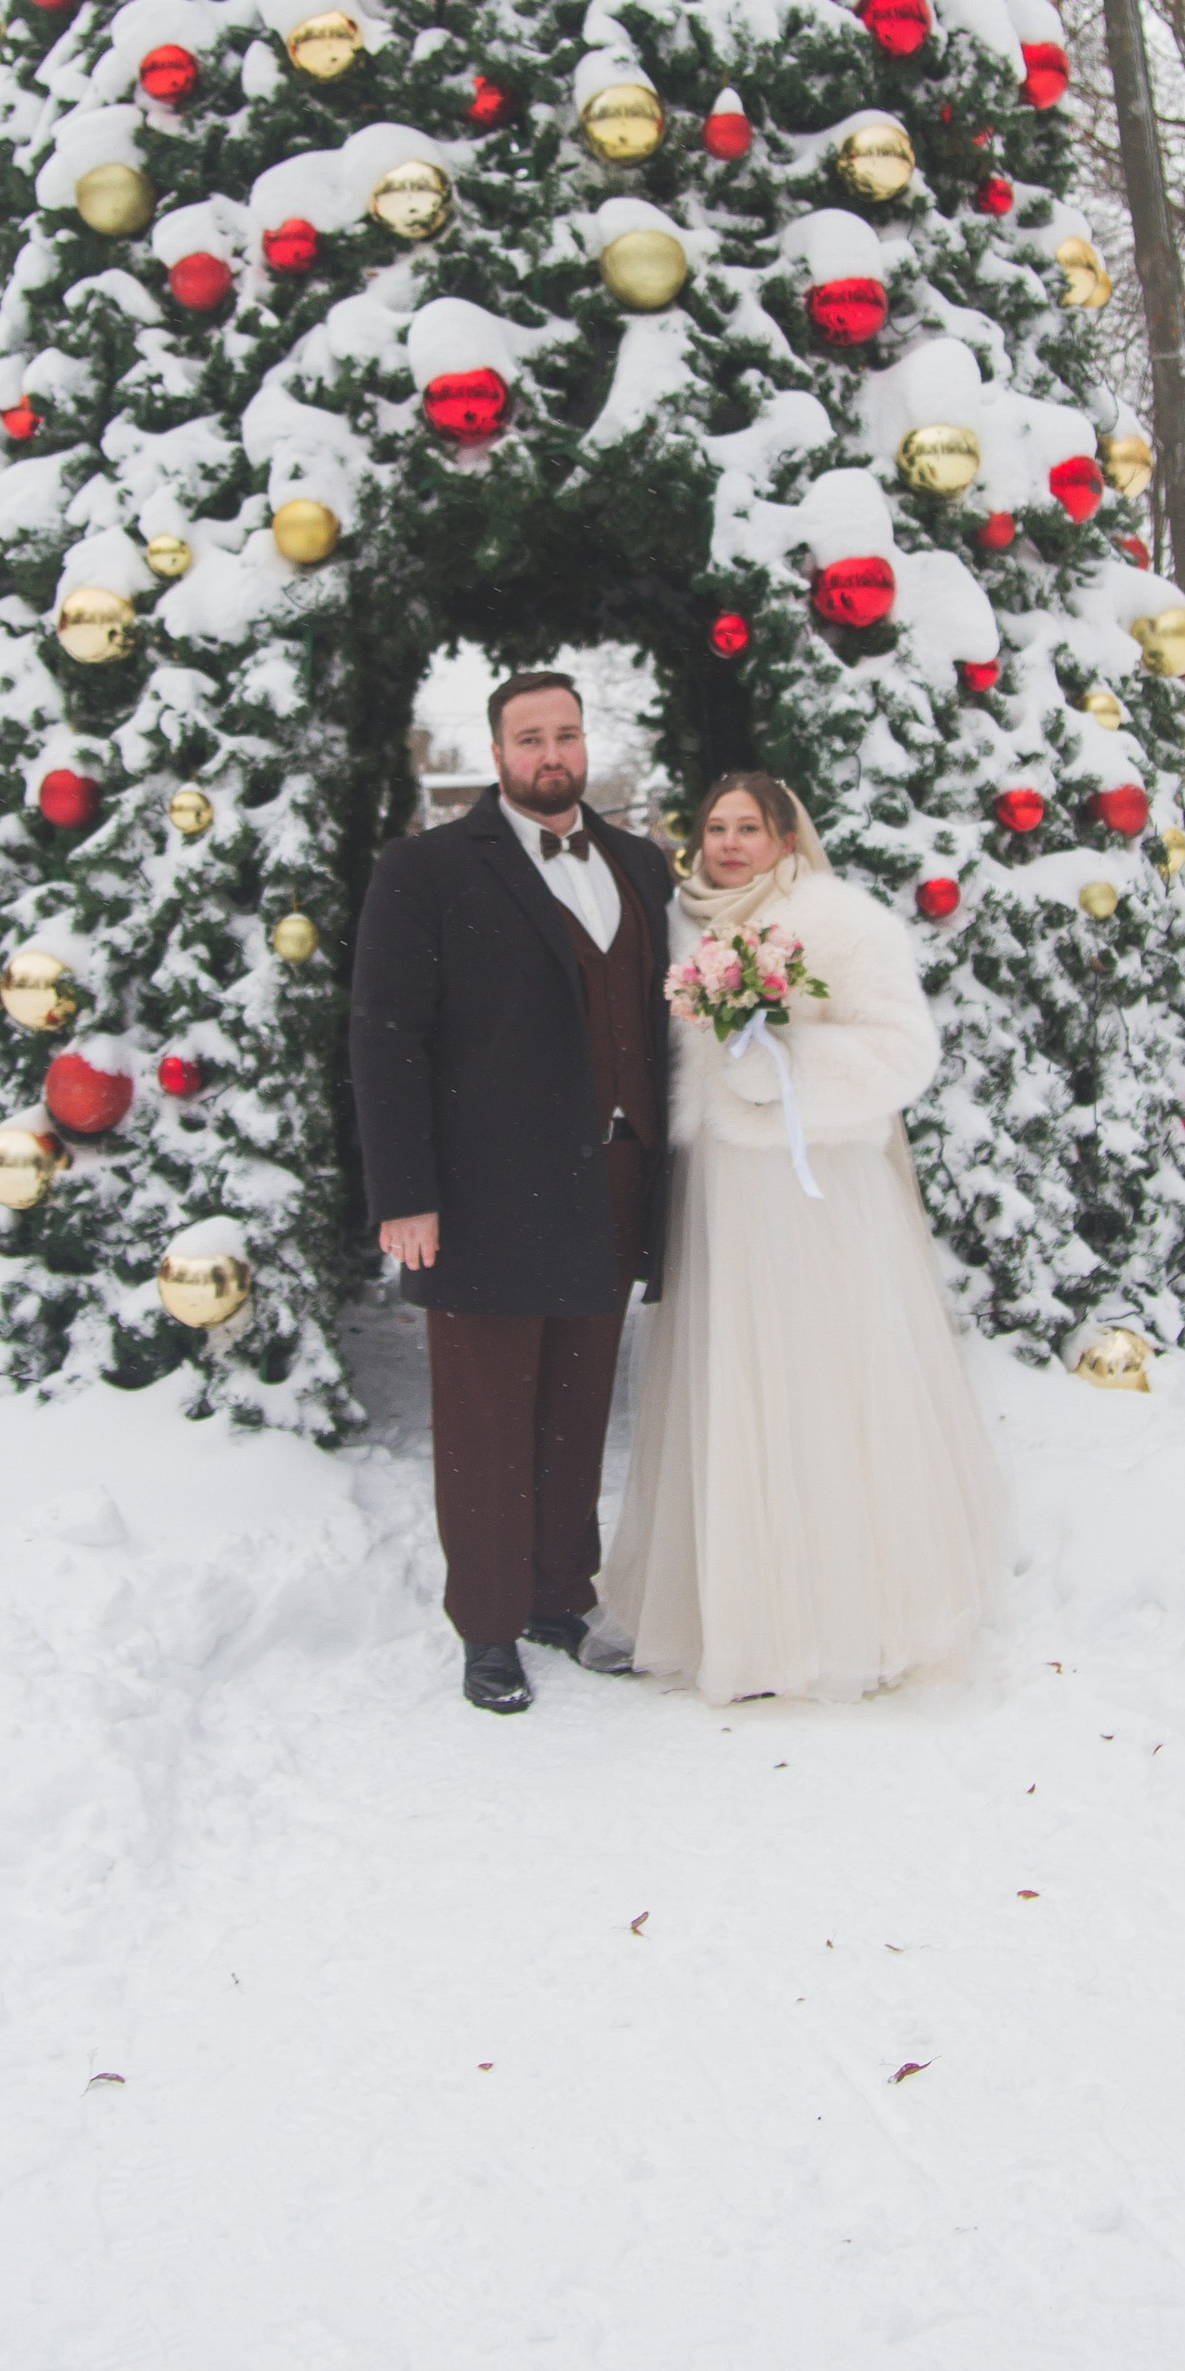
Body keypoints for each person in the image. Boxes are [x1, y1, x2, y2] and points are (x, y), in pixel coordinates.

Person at [597, 772, 1005, 1704]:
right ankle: (738, 1624)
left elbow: (902, 1051)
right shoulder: (678, 926)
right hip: (717, 1196)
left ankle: (847, 1620)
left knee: (823, 1391)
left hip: (811, 1192)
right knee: (731, 1388)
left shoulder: (839, 920)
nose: (729, 845)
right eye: (716, 828)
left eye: (750, 828)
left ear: (787, 839)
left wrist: (779, 1073)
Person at [349, 671, 674, 1713]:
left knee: (579, 1403)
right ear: (496, 754)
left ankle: (559, 1595)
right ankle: (487, 1626)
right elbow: (386, 1036)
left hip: (615, 1176)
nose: (551, 754)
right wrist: (405, 1193)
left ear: (586, 744)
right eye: (529, 738)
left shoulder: (639, 865)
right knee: (488, 1415)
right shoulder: (427, 869)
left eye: (566, 734)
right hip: (483, 1191)